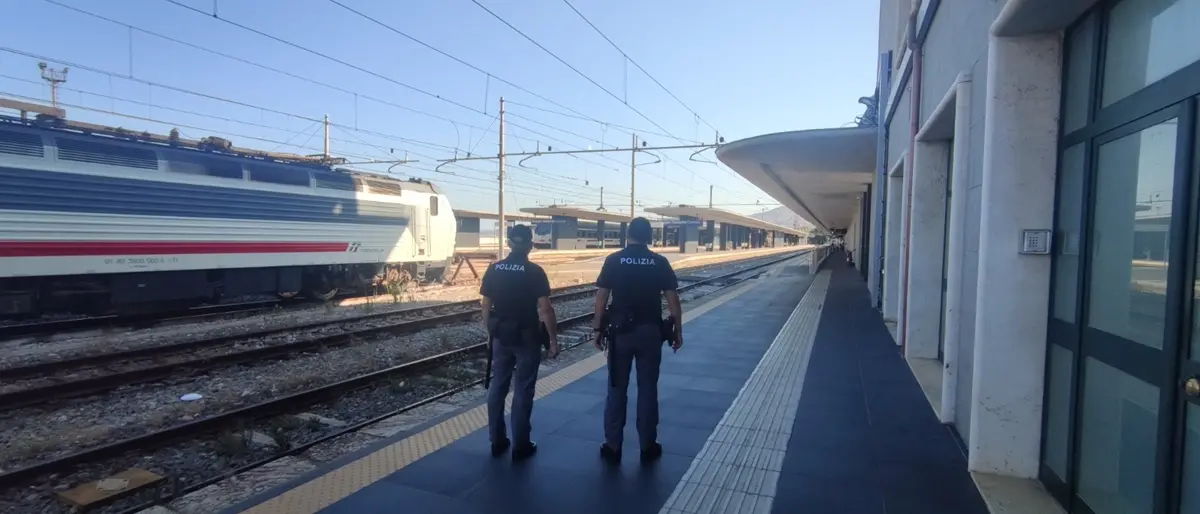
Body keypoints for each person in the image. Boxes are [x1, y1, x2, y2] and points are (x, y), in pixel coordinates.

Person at [590, 217, 683, 464]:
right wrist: (678, 332)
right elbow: (673, 300)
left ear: (628, 235)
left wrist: (597, 329)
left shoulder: (614, 260)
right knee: (648, 389)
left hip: (620, 334)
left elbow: (601, 298)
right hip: (650, 333)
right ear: (649, 237)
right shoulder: (659, 262)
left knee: (616, 388)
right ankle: (647, 445)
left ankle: (612, 445)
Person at [480, 224, 560, 461]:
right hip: (527, 336)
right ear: (530, 245)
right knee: (523, 388)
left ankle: (497, 440)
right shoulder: (534, 271)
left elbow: (486, 305)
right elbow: (545, 309)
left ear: (508, 243)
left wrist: (490, 332)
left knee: (498, 385)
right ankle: (520, 444)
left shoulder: (494, 269)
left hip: (501, 335)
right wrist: (553, 340)